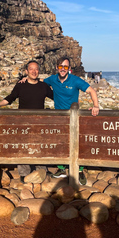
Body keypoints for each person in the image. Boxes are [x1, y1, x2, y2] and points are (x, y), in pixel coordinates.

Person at [0, 60, 53, 182]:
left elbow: (56, 96)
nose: (34, 71)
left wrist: (70, 99)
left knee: (40, 146)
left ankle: (42, 170)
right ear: (26, 71)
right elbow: (11, 98)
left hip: (39, 122)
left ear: (39, 71)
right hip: (22, 121)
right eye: (31, 69)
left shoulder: (43, 86)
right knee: (23, 147)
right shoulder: (21, 85)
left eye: (36, 69)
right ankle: (24, 173)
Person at [43, 56, 100, 184]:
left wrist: (96, 106)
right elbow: (40, 83)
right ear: (57, 68)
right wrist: (26, 79)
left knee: (77, 143)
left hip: (74, 117)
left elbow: (92, 91)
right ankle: (62, 169)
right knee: (61, 143)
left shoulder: (75, 80)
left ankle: (79, 171)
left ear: (69, 69)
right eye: (60, 67)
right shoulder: (52, 79)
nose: (63, 69)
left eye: (65, 67)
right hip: (59, 118)